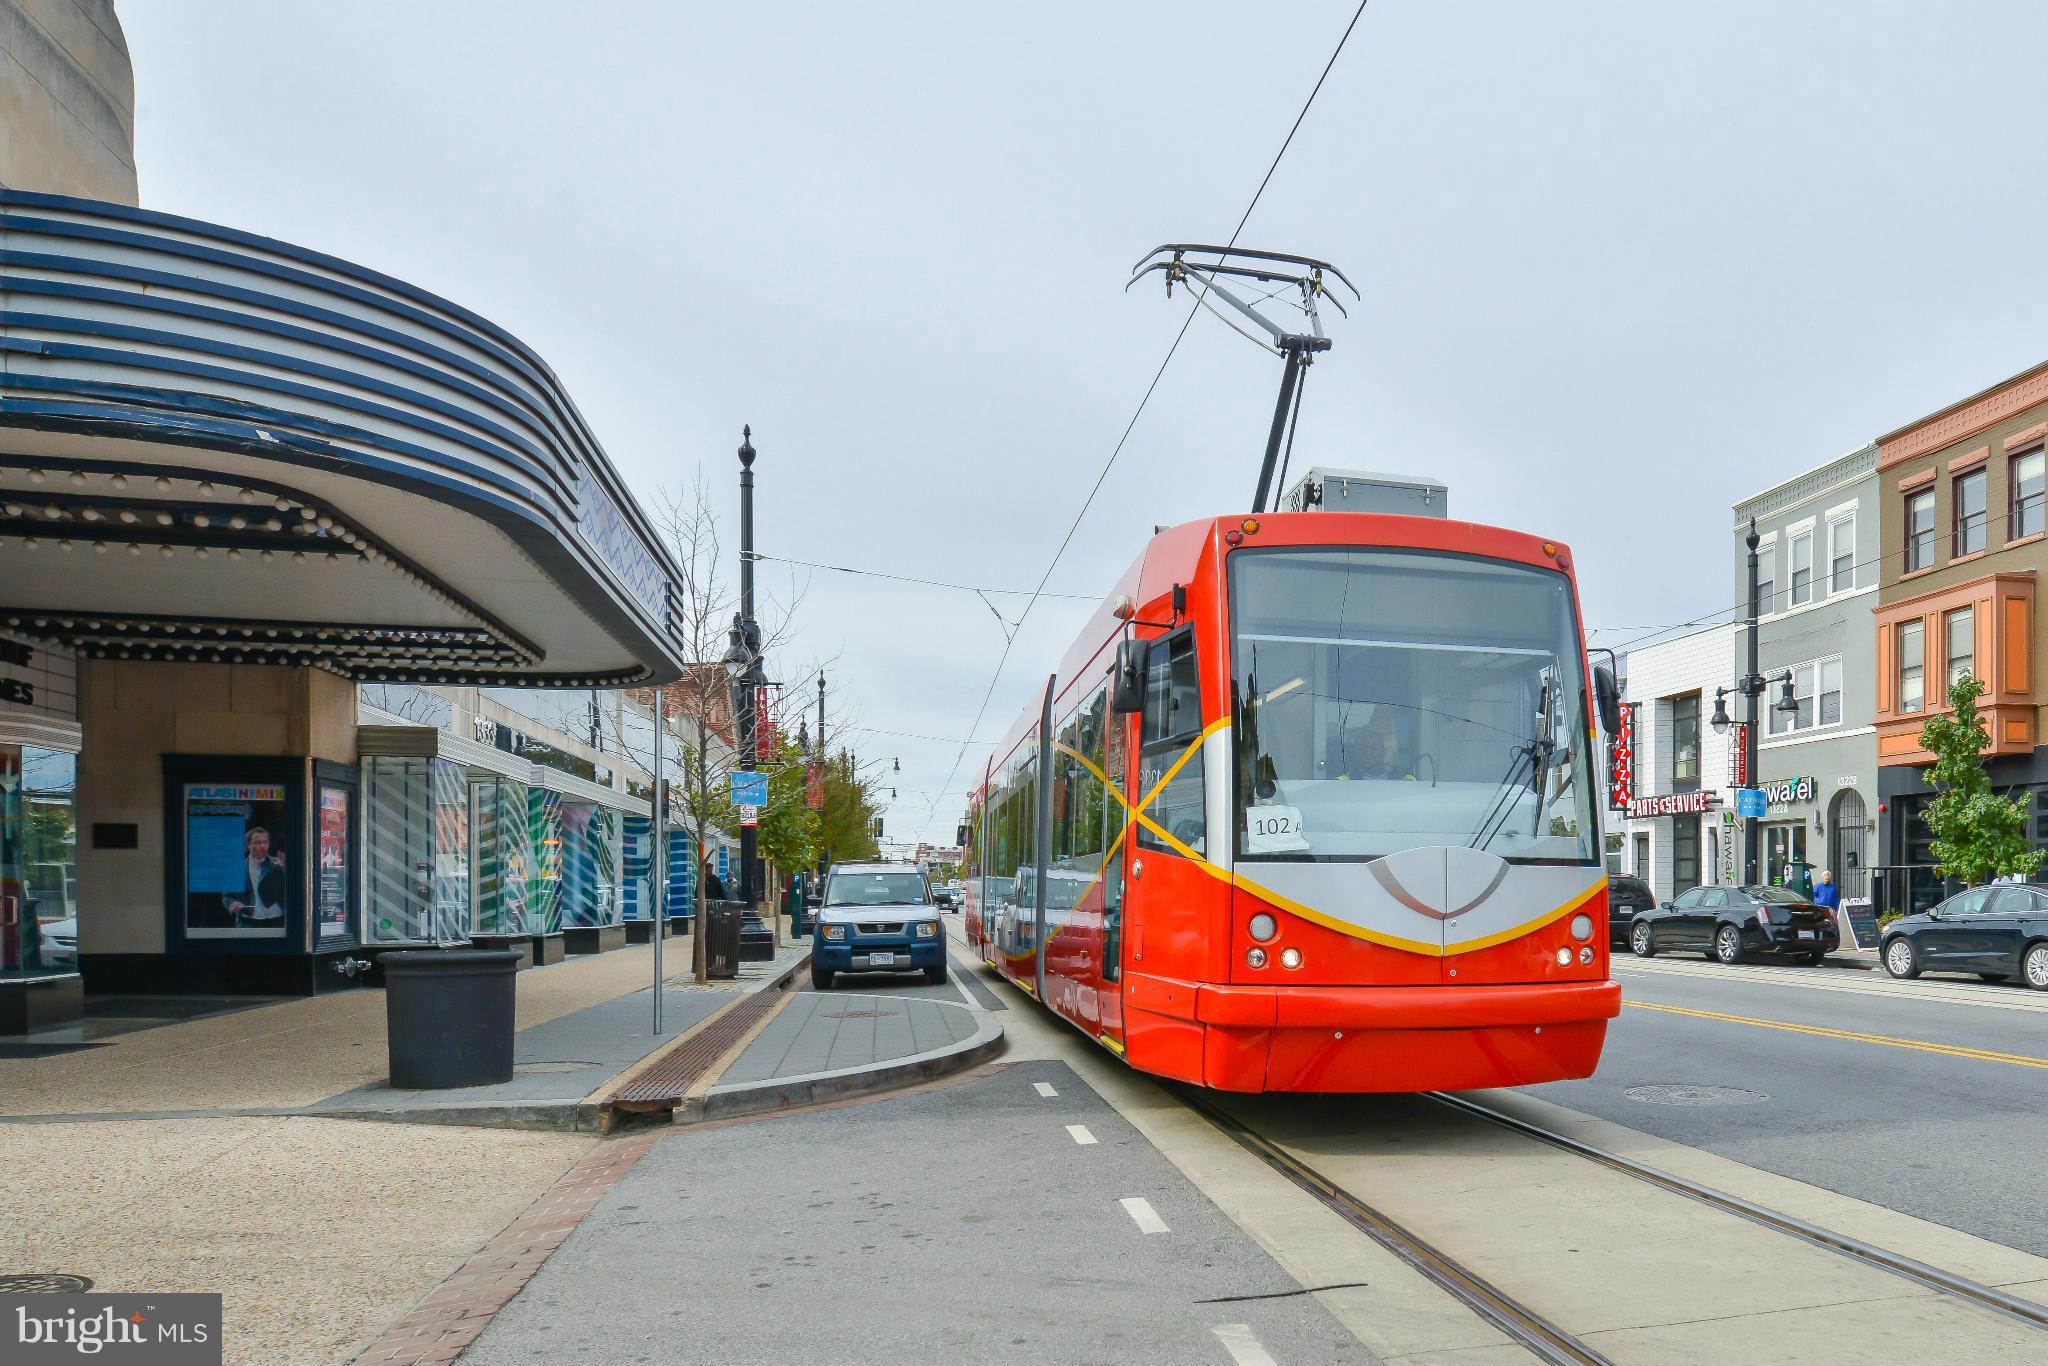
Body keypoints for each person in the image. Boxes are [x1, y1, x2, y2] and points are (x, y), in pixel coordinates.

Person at [223, 825, 286, 926]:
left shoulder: (277, 865)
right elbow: (227, 896)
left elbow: (287, 892)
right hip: (247, 921)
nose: (262, 846)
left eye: (265, 842)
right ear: (248, 845)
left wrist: (284, 870)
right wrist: (233, 904)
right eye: (257, 843)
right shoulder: (236, 869)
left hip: (275, 921)